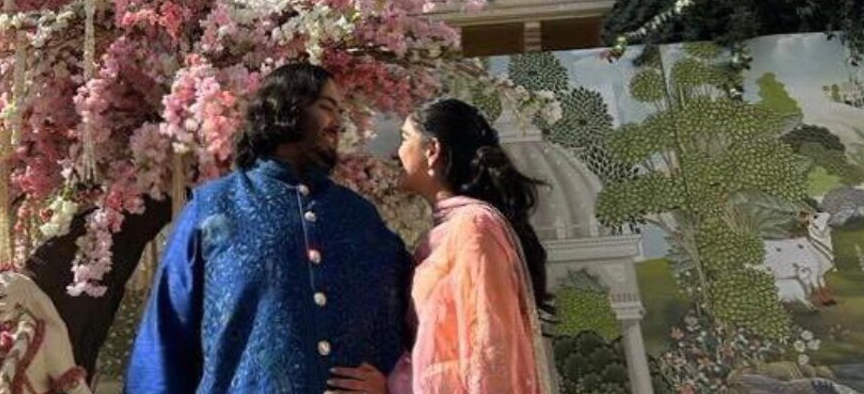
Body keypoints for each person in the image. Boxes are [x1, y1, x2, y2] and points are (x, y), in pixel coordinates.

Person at [125, 63, 411, 394]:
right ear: (286, 109)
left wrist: (394, 382)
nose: (338, 123)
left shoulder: (359, 216)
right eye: (326, 108)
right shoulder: (215, 209)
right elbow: (167, 332)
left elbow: (418, 311)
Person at [329, 98, 553, 394]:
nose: (396, 152)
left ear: (432, 151)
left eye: (405, 139)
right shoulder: (451, 232)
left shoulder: (474, 229)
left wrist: (393, 389)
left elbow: (488, 356)